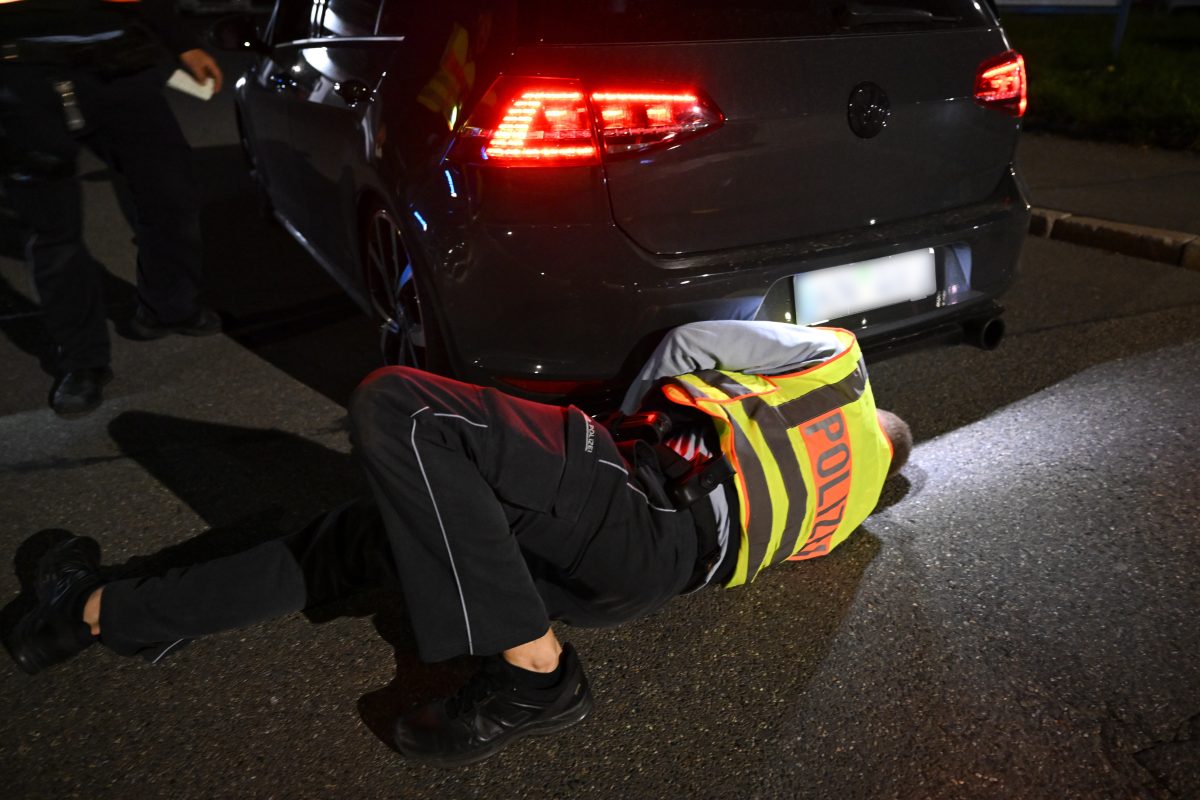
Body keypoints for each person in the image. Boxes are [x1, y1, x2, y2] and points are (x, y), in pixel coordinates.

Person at [5, 321, 912, 767]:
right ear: (890, 465)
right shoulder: (849, 506)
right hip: (643, 575)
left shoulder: (836, 361)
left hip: (628, 506)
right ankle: (95, 614)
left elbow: (686, 344)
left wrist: (596, 424)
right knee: (363, 539)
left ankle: (535, 672)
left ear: (886, 420)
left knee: (400, 407)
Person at [0, 0, 225, 417]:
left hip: (120, 65)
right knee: (54, 230)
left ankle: (167, 307)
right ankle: (82, 362)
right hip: (23, 74)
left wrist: (181, 42)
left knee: (172, 194)